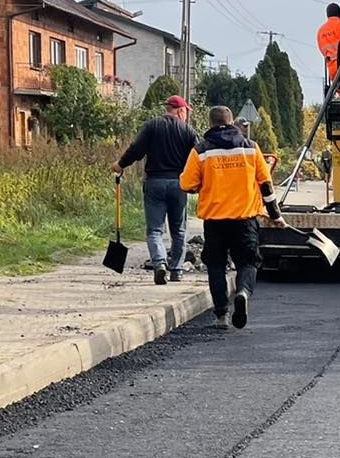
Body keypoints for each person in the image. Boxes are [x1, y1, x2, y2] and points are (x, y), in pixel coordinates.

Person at [179, 104, 285, 329]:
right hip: (245, 219)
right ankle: (244, 293)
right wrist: (275, 214)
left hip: (215, 221)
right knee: (248, 262)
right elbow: (265, 184)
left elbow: (187, 184)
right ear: (233, 122)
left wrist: (206, 184)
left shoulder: (201, 150)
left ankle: (221, 315)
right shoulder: (250, 148)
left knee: (216, 265)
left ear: (211, 123)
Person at [118, 94, 199, 283]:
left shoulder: (151, 126)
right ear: (180, 111)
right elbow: (197, 157)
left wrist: (121, 164)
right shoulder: (188, 130)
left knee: (155, 230)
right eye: (186, 112)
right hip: (179, 184)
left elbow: (136, 150)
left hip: (154, 183)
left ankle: (160, 263)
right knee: (178, 230)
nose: (186, 115)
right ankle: (177, 270)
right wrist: (198, 182)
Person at [316, 3, 340, 87]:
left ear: (327, 15)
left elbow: (323, 52)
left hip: (333, 72)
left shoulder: (320, 31)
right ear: (339, 13)